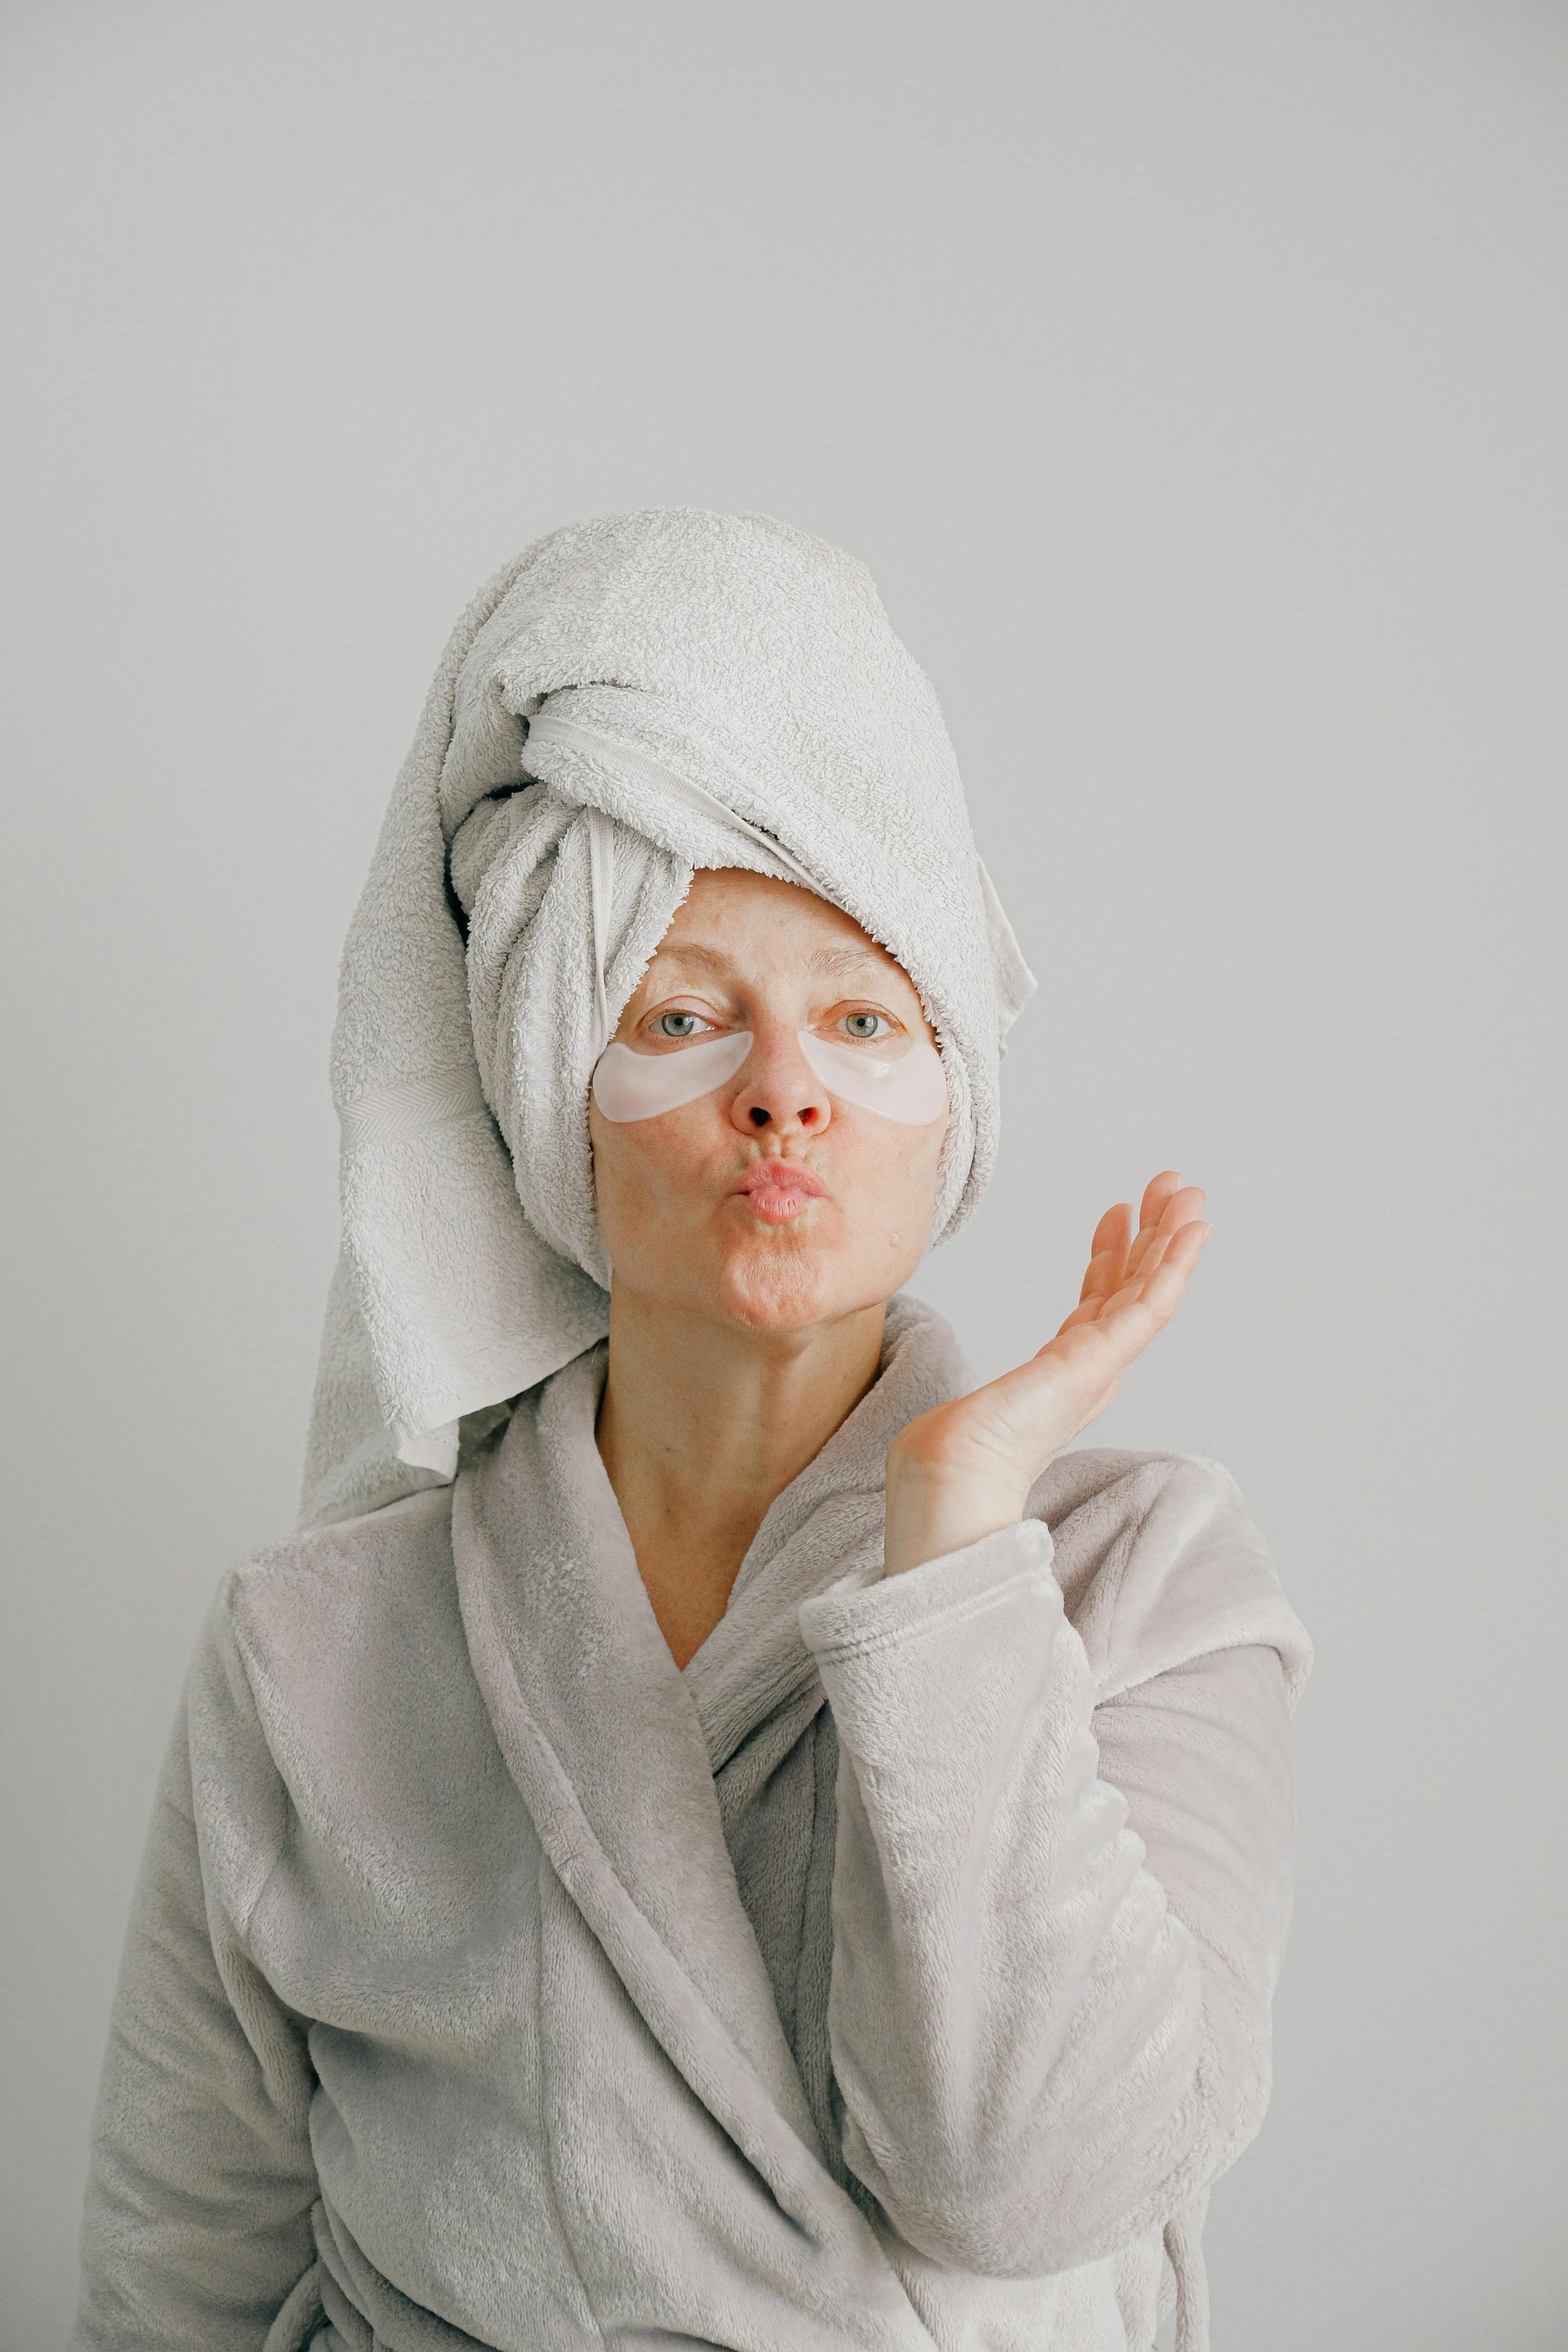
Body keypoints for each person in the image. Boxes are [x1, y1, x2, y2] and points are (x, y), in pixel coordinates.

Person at [73, 510, 1312, 2352]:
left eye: (864, 1018)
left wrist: (958, 1546)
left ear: (951, 1101)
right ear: (548, 1092)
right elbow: (180, 2262)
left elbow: (1032, 2184)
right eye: (680, 1016)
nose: (785, 1093)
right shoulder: (318, 1647)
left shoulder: (1148, 1578)